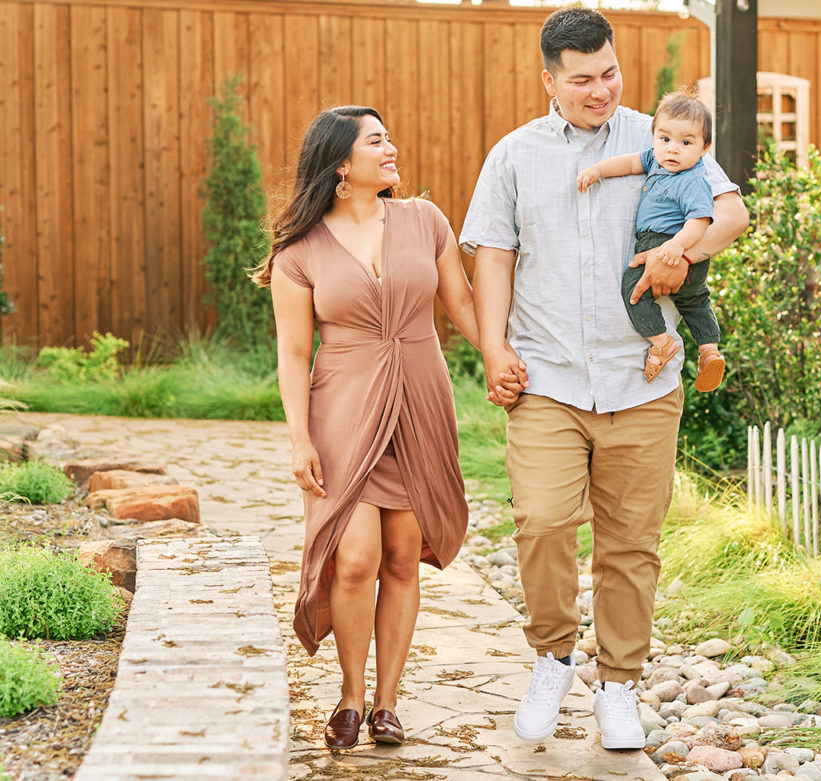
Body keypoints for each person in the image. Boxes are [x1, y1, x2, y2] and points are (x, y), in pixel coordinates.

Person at [460, 8, 748, 751]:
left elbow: (732, 212)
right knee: (544, 520)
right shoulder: (515, 155)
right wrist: (492, 347)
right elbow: (493, 253)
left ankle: (619, 684)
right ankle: (553, 656)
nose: (601, 90)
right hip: (548, 377)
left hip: (642, 380)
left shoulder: (664, 137)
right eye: (582, 79)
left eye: (610, 73)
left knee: (630, 543)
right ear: (549, 79)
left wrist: (683, 252)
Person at [252, 106, 519, 751]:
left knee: (402, 558)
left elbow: (459, 304)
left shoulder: (424, 220)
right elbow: (292, 354)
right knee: (355, 561)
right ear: (341, 162)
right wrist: (299, 439)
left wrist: (498, 356)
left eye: (389, 136)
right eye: (377, 141)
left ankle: (387, 703)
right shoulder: (300, 253)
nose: (391, 147)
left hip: (421, 403)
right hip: (342, 410)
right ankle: (349, 695)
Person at [576, 90, 726, 391]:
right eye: (665, 139)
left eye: (686, 143)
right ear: (654, 137)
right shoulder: (657, 161)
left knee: (633, 290)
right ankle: (709, 350)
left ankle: (661, 342)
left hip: (667, 243)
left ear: (705, 148)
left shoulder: (694, 179)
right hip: (676, 251)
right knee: (694, 301)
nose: (673, 149)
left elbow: (700, 221)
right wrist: (598, 171)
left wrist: (678, 246)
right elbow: (629, 163)